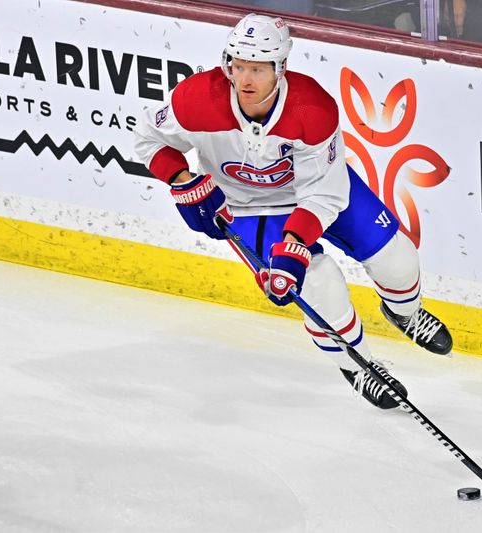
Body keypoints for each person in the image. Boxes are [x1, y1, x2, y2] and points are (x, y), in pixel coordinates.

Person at [134, 13, 453, 410]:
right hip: (248, 209)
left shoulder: (311, 108)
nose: (245, 80)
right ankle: (360, 368)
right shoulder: (197, 99)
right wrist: (181, 178)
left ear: (280, 69)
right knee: (320, 285)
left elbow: (324, 191)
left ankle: (406, 313)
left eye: (257, 69)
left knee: (398, 260)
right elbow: (147, 137)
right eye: (238, 66)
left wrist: (295, 242)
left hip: (322, 191)